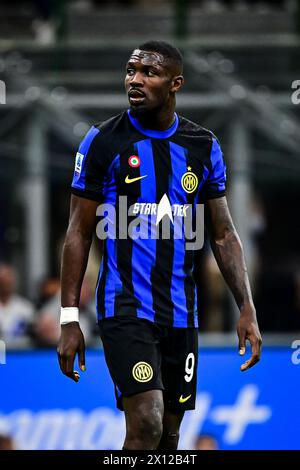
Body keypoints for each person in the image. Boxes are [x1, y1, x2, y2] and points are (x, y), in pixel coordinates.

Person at [57, 41, 262, 450]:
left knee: (169, 439)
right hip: (124, 308)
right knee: (146, 424)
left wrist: (246, 306)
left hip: (182, 312)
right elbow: (78, 231)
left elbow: (223, 233)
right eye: (131, 70)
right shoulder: (103, 141)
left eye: (149, 73)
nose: (135, 79)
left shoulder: (202, 146)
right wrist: (68, 318)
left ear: (175, 84)